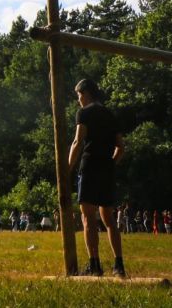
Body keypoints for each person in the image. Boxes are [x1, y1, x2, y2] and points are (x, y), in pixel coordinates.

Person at [68, 79, 127, 277]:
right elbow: (120, 148)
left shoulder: (84, 113)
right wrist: (110, 164)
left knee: (88, 218)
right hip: (107, 169)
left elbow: (78, 141)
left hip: (90, 165)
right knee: (109, 219)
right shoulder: (111, 115)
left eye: (78, 96)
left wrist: (67, 168)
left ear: (86, 93)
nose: (78, 100)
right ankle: (119, 265)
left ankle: (94, 265)